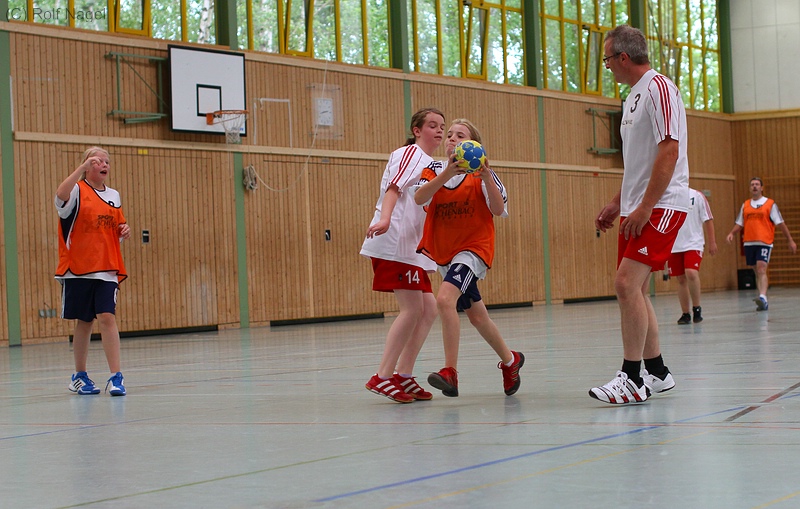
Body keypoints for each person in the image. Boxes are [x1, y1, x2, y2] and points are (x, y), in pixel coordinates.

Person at [591, 25, 689, 405]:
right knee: (636, 288)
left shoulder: (659, 88)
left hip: (661, 205)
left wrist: (646, 206)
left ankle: (631, 378)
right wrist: (619, 203)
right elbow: (638, 163)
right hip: (637, 207)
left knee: (625, 284)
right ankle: (657, 372)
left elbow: (669, 151)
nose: (607, 66)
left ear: (623, 57)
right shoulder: (631, 97)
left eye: (607, 59)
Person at [414, 118, 524, 398]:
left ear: (474, 144)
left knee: (444, 300)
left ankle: (450, 371)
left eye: (460, 135)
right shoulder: (434, 170)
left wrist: (486, 176)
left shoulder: (484, 175)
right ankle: (510, 361)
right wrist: (446, 175)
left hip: (473, 249)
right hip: (446, 253)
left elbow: (498, 209)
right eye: (449, 134)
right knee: (477, 317)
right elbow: (419, 198)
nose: (451, 138)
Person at [360, 108, 445, 403]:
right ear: (416, 130)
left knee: (429, 309)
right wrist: (385, 219)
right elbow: (393, 188)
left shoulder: (434, 165)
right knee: (411, 309)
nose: (439, 130)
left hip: (413, 249)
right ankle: (382, 376)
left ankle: (403, 374)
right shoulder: (410, 154)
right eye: (432, 125)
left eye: (442, 126)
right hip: (394, 242)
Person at [55, 147, 130, 396]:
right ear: (88, 165)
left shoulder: (114, 195)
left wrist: (124, 230)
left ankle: (116, 377)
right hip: (79, 268)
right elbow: (60, 196)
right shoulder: (77, 190)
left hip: (107, 268)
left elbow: (116, 226)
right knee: (84, 321)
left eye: (107, 161)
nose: (104, 164)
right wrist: (81, 168)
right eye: (98, 161)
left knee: (107, 317)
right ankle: (79, 376)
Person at [725, 177, 797, 311]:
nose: (755, 186)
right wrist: (732, 233)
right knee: (756, 271)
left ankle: (763, 296)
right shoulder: (745, 205)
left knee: (761, 268)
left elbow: (780, 224)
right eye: (752, 184)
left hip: (764, 242)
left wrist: (790, 239)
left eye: (757, 184)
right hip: (749, 242)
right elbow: (740, 223)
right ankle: (763, 300)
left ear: (762, 188)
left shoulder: (770, 204)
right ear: (749, 188)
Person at [667, 188, 717, 324]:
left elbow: (708, 219)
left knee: (691, 272)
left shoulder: (697, 196)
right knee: (680, 279)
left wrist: (712, 242)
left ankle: (697, 308)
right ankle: (685, 313)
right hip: (674, 244)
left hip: (694, 242)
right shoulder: (668, 195)